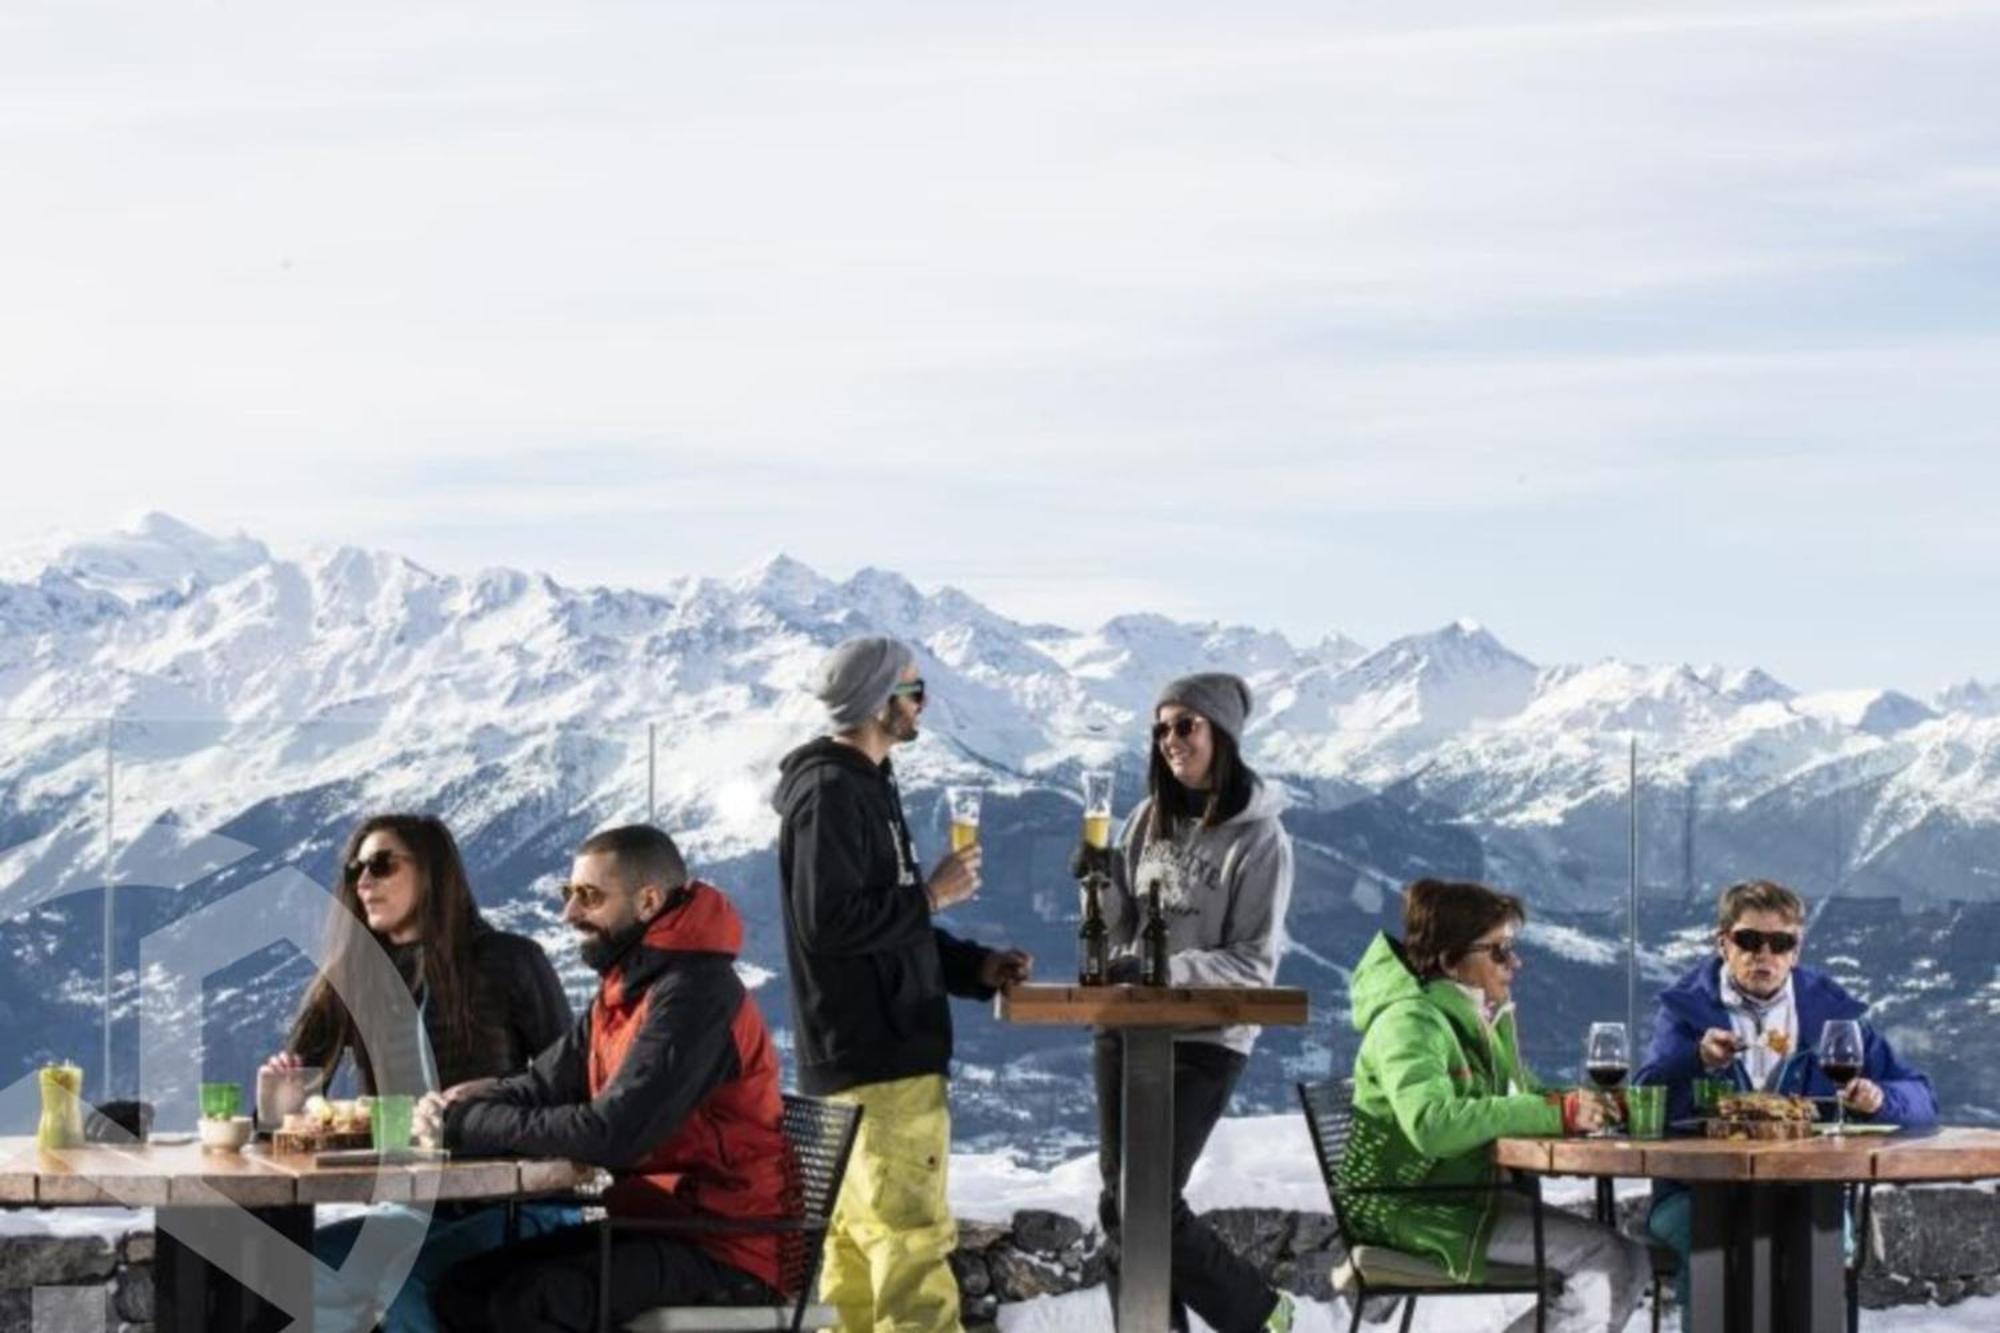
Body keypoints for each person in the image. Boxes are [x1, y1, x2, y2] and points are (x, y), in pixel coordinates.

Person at [427, 824, 789, 1331]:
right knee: (462, 1288)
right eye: (568, 894)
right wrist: (459, 1107)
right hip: (655, 1222)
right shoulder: (626, 988)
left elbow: (612, 1135)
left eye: (589, 897)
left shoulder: (695, 994)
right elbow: (544, 1084)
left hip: (723, 1244)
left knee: (524, 1304)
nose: (569, 914)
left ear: (647, 902)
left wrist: (472, 1122)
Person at [773, 635, 1033, 1333]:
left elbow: (876, 925)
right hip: (883, 1060)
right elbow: (829, 921)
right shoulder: (833, 790)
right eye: (914, 690)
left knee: (857, 1255)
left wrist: (970, 967)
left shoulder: (858, 784)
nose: (924, 704)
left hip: (855, 1056)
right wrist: (931, 895)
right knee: (911, 1249)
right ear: (877, 700)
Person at [264, 812, 574, 1333]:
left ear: (432, 873)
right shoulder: (353, 975)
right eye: (355, 870)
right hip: (412, 1209)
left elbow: (571, 1084)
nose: (364, 881)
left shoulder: (510, 961)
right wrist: (275, 1106)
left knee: (400, 1279)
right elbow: (285, 1117)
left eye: (382, 865)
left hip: (518, 1206)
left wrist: (496, 1096)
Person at [1342, 878, 1652, 1333]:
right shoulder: (1410, 1022)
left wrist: (1583, 1105)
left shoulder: (1475, 1018)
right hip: (1416, 1210)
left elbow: (1517, 1094)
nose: (1515, 962)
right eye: (1499, 951)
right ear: (1450, 960)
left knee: (1629, 1256)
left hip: (1459, 1196)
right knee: (1611, 1259)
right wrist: (1557, 1112)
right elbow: (1432, 1125)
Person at [1087, 672, 1298, 1333]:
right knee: (1123, 1203)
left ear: (1223, 734)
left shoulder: (1262, 840)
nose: (1170, 739)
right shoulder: (1146, 819)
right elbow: (1113, 935)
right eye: (1161, 727)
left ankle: (1260, 1313)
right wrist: (1094, 882)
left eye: (1186, 725)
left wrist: (1160, 970)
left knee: (1144, 1198)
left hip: (1207, 1038)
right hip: (1126, 1027)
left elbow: (1253, 963)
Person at [1636, 878, 1939, 1327]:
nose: (1765, 954)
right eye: (1749, 940)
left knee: (1814, 1240)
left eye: (1780, 943)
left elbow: (1922, 1098)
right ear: (1724, 943)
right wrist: (1695, 1058)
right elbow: (1644, 1100)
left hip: (1809, 1190)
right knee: (1720, 1242)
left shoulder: (1828, 1017)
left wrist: (1880, 1099)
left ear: (1796, 951)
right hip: (1695, 1192)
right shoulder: (1687, 1013)